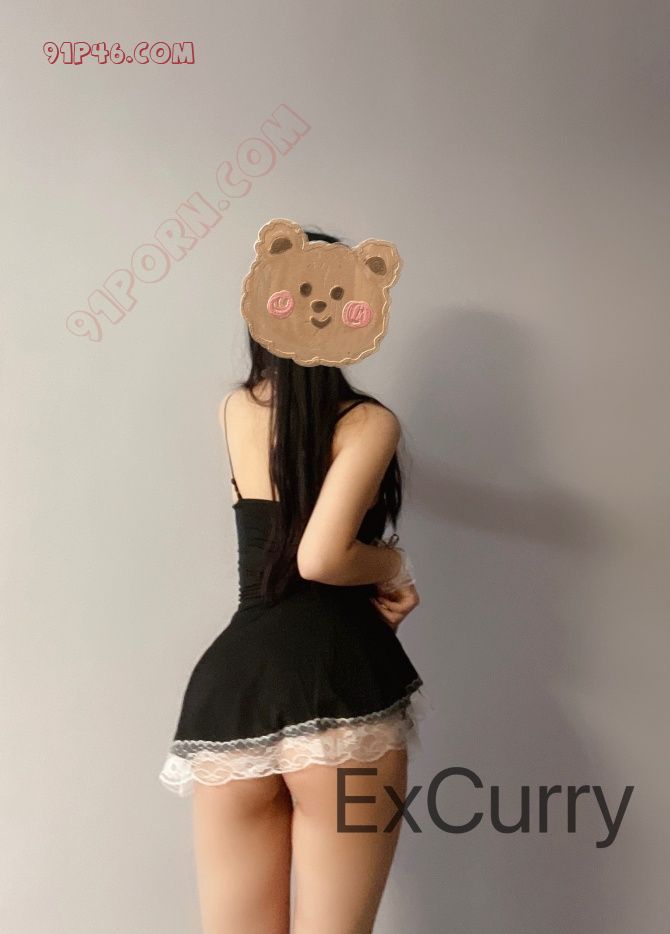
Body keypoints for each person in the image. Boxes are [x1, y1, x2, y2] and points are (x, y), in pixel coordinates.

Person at [158, 228, 426, 933]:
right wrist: (394, 567)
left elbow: (289, 548)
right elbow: (320, 559)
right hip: (342, 688)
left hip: (234, 693)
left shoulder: (235, 410)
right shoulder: (368, 424)